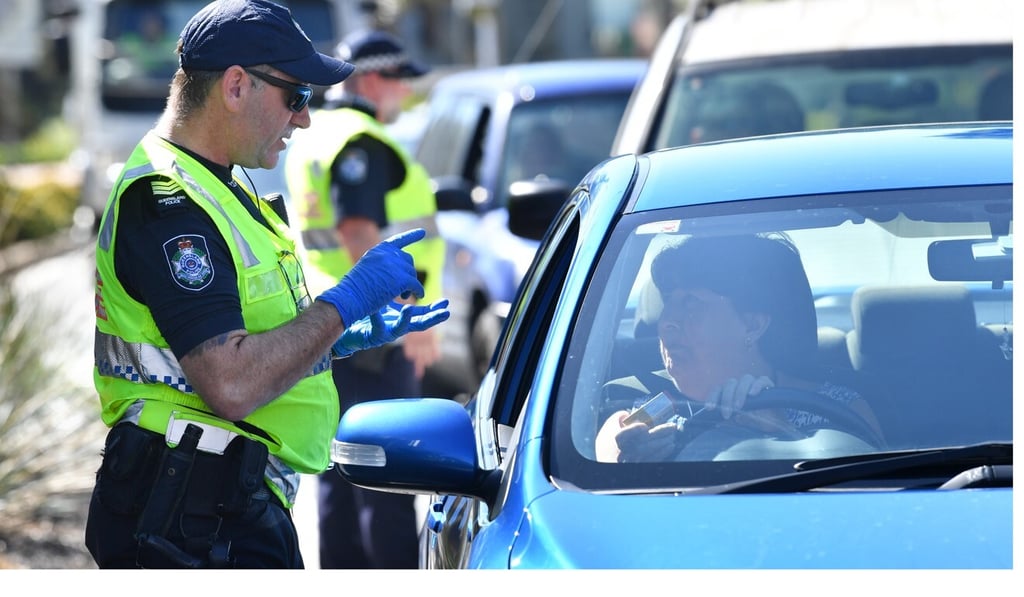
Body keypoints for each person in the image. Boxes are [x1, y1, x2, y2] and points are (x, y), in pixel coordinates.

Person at [84, 0, 449, 569]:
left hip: (212, 504)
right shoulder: (171, 204)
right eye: (295, 96)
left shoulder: (218, 183)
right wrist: (345, 302)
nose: (304, 117)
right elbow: (228, 383)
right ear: (235, 86)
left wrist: (336, 337)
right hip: (185, 515)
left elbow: (245, 327)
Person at [283, 29, 444, 569]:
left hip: (327, 324)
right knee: (386, 477)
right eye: (399, 80)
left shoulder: (316, 134)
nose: (405, 93)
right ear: (372, 79)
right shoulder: (360, 143)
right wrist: (410, 320)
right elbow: (359, 235)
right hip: (372, 334)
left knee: (339, 474)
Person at [595, 233, 884, 463]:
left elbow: (865, 499)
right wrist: (632, 464)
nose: (667, 320)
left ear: (752, 325)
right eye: (668, 299)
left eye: (692, 302)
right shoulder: (638, 414)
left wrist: (784, 435)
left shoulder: (839, 409)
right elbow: (601, 493)